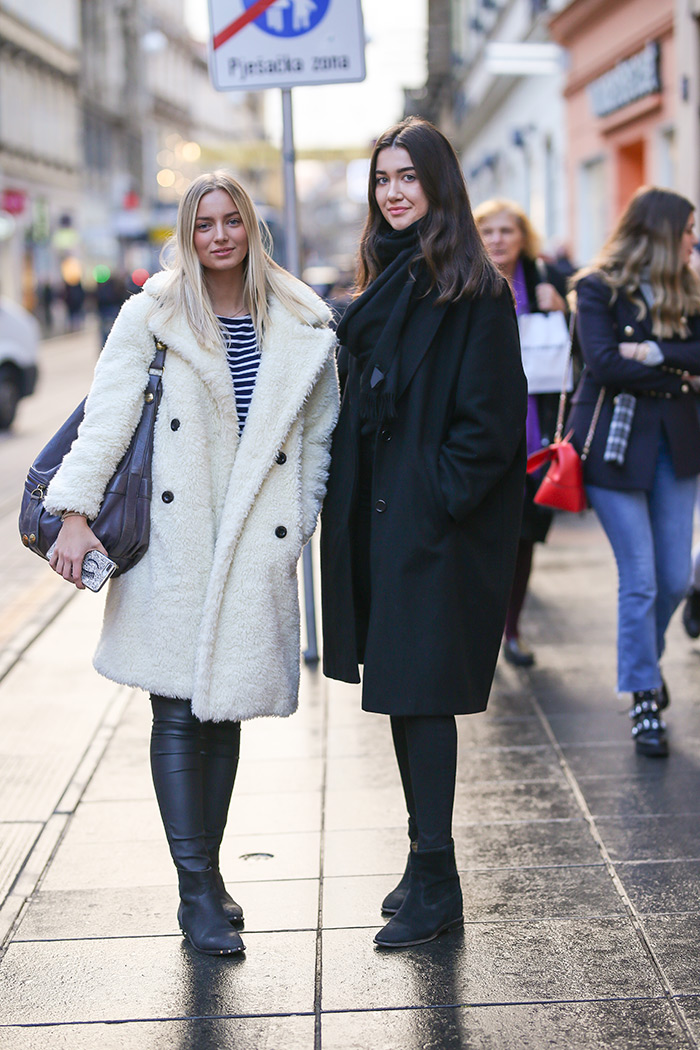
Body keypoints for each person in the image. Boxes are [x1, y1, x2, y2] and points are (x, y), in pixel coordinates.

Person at [43, 171, 339, 955]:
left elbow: (314, 444)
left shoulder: (303, 319)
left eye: (230, 220)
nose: (217, 235)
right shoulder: (154, 312)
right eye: (203, 222)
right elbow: (106, 415)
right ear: (187, 229)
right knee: (175, 711)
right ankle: (197, 889)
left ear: (251, 227)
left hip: (252, 539)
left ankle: (207, 870)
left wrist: (297, 524)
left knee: (222, 708)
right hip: (175, 539)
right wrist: (73, 515)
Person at [320, 117, 527, 949]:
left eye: (408, 177)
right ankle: (422, 861)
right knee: (406, 698)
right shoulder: (387, 280)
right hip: (383, 518)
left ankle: (438, 879)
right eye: (382, 179)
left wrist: (433, 502)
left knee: (423, 698)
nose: (394, 192)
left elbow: (489, 428)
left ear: (439, 184)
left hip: (433, 528)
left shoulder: (471, 288)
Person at [567, 186, 700, 757]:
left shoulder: (688, 290)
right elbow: (602, 364)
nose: (695, 238)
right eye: (690, 228)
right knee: (641, 578)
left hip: (679, 444)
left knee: (674, 579)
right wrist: (675, 367)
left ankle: (647, 656)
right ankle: (644, 695)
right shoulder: (597, 287)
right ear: (665, 232)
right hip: (614, 451)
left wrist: (653, 354)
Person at [474, 199, 569, 667]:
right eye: (487, 231)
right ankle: (482, 630)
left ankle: (512, 631)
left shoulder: (545, 283)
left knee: (525, 538)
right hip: (485, 433)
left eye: (506, 231)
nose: (496, 240)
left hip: (536, 437)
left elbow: (576, 358)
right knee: (484, 539)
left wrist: (563, 309)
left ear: (522, 236)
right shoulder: (465, 280)